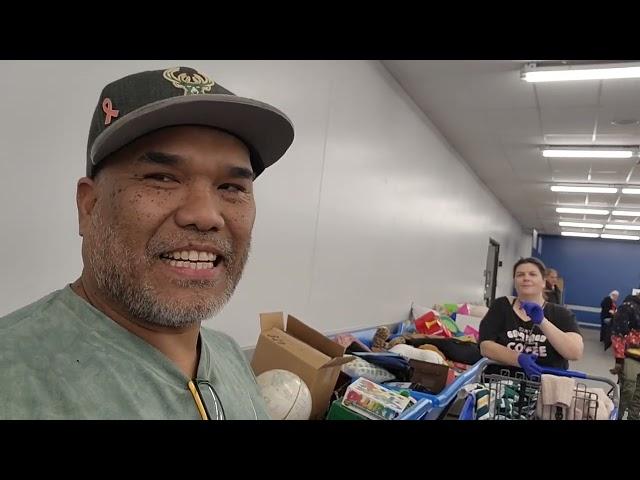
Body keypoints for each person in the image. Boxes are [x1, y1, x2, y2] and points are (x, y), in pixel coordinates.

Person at [0, 66, 295, 419]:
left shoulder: (229, 355)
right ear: (89, 206)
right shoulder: (13, 375)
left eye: (231, 187)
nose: (205, 215)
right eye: (162, 177)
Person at [479, 257, 583, 378]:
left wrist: (543, 322)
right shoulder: (501, 306)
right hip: (499, 383)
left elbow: (575, 353)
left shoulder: (561, 314)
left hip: (546, 387)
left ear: (544, 282)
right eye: (520, 275)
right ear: (515, 281)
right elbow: (485, 346)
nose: (526, 278)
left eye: (532, 274)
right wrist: (518, 358)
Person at [610, 292, 640, 420]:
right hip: (630, 355)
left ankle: (633, 417)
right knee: (629, 388)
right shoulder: (628, 307)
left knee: (638, 396)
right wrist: (619, 360)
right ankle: (617, 415)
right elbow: (618, 334)